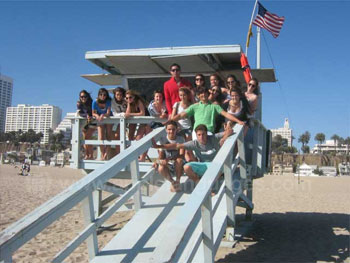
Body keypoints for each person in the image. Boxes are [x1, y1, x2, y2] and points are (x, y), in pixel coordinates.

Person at [154, 124, 233, 185]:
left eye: (203, 134)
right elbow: (176, 145)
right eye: (199, 135)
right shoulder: (194, 143)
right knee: (186, 167)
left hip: (217, 165)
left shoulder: (214, 137)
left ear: (206, 134)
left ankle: (209, 189)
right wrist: (158, 146)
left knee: (216, 169)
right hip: (204, 165)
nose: (201, 137)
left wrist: (223, 138)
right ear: (196, 135)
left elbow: (230, 131)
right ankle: (201, 185)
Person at [172, 87, 245, 136]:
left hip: (209, 133)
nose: (203, 94)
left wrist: (238, 121)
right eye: (201, 93)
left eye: (205, 93)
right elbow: (180, 115)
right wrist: (168, 122)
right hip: (196, 133)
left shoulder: (215, 106)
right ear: (198, 96)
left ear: (208, 94)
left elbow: (226, 114)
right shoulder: (194, 106)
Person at [152, 121, 185, 192]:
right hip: (168, 162)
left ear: (177, 129)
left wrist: (169, 159)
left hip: (177, 162)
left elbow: (181, 155)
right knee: (160, 167)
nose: (171, 131)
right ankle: (173, 182)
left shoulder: (180, 139)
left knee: (179, 160)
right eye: (169, 129)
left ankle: (178, 180)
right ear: (166, 130)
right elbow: (160, 156)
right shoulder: (163, 140)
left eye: (173, 129)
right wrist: (157, 162)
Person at [125, 90, 151, 161]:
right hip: (140, 122)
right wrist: (128, 104)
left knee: (145, 139)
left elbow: (142, 113)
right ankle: (137, 156)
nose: (128, 99)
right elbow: (127, 114)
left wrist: (130, 114)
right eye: (126, 98)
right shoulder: (130, 103)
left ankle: (142, 158)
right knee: (137, 139)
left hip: (147, 121)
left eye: (130, 97)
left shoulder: (138, 101)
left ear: (134, 97)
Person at [171, 87, 195, 161]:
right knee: (181, 148)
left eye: (184, 95)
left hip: (189, 128)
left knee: (188, 149)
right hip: (179, 129)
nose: (182, 97)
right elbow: (172, 117)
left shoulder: (192, 105)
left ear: (187, 95)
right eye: (180, 95)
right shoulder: (177, 104)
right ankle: (184, 164)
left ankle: (192, 163)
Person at [92, 88, 113, 161]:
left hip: (108, 118)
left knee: (108, 136)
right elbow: (93, 113)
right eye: (101, 94)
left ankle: (106, 155)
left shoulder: (108, 101)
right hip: (100, 119)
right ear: (98, 95)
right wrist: (97, 116)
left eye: (104, 94)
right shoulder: (95, 101)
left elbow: (108, 112)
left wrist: (103, 115)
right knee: (101, 137)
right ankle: (102, 153)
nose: (103, 96)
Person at [77, 90, 96, 159]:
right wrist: (86, 115)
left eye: (85, 96)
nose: (83, 98)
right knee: (85, 138)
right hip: (86, 122)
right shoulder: (80, 104)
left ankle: (90, 155)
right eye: (81, 97)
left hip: (93, 121)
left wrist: (89, 115)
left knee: (87, 137)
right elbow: (80, 113)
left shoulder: (92, 103)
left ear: (87, 97)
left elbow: (94, 112)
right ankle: (87, 154)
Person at [111, 87, 127, 155]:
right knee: (116, 136)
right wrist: (122, 114)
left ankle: (125, 153)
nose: (119, 96)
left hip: (127, 120)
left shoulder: (126, 100)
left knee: (128, 137)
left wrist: (125, 114)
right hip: (117, 121)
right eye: (117, 94)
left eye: (120, 94)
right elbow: (114, 114)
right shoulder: (113, 101)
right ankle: (118, 154)